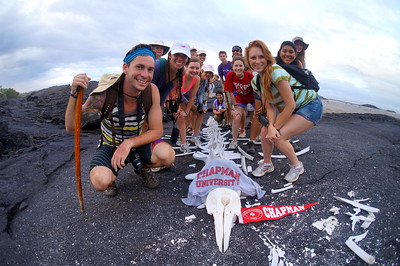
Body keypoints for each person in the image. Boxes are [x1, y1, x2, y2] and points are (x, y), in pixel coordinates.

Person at [65, 44, 175, 197]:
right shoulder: (105, 94)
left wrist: (128, 143)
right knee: (100, 181)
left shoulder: (151, 91)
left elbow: (157, 131)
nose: (145, 74)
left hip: (137, 142)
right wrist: (74, 94)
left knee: (167, 156)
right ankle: (111, 178)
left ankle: (142, 167)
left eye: (150, 70)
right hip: (110, 144)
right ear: (125, 68)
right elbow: (71, 127)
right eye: (139, 67)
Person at [244, 40, 323, 182]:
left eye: (261, 57)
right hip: (293, 108)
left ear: (267, 56)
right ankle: (267, 164)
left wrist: (274, 128)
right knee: (265, 131)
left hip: (310, 106)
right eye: (253, 58)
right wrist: (270, 126)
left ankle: (297, 166)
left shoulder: (275, 71)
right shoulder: (256, 81)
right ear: (248, 61)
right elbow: (269, 105)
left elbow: (290, 104)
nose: (257, 61)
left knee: (278, 137)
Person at [168, 57, 201, 153]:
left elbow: (191, 98)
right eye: (192, 67)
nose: (194, 71)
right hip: (168, 95)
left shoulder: (197, 79)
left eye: (197, 68)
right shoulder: (180, 75)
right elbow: (170, 92)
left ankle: (183, 143)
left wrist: (186, 112)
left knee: (183, 117)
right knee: (179, 117)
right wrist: (174, 109)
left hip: (179, 97)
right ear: (186, 66)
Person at [224, 56, 255, 150]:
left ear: (244, 66)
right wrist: (236, 106)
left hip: (252, 97)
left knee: (257, 116)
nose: (238, 68)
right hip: (240, 99)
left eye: (240, 65)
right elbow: (230, 92)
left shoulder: (250, 76)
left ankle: (255, 136)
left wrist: (259, 105)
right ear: (232, 67)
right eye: (236, 66)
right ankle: (234, 140)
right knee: (236, 116)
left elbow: (257, 91)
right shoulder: (230, 75)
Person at [152, 41, 191, 105]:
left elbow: (164, 94)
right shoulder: (157, 66)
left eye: (184, 56)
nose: (180, 59)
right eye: (177, 54)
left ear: (187, 59)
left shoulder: (181, 72)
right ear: (170, 55)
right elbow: (146, 91)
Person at [190, 63, 214, 146]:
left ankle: (195, 133)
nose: (208, 74)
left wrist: (202, 105)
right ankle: (183, 138)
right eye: (206, 72)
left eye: (210, 73)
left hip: (195, 100)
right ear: (202, 71)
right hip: (187, 100)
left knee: (200, 113)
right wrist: (191, 103)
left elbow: (201, 94)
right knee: (186, 118)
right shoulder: (195, 79)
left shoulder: (205, 81)